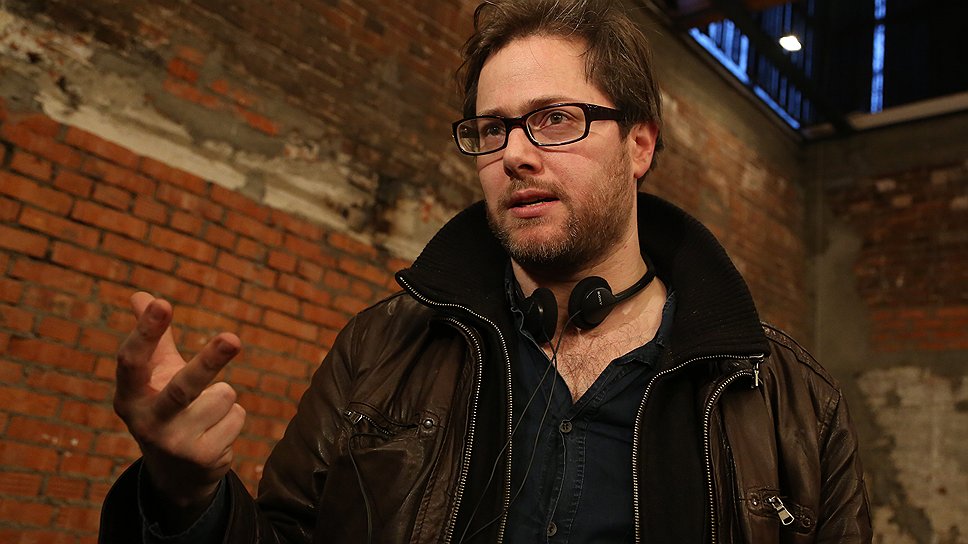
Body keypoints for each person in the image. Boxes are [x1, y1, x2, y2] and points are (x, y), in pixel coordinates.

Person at [99, 1, 872, 542]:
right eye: (491, 128)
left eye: (555, 119)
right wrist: (185, 496)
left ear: (639, 145)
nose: (515, 154)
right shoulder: (380, 348)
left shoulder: (791, 401)